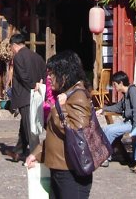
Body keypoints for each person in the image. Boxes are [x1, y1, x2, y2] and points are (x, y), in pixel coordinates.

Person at [25, 50, 93, 198]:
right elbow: (54, 132)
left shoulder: (78, 96)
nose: (49, 78)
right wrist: (37, 153)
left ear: (65, 74)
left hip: (71, 171)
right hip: (60, 166)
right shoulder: (66, 94)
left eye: (52, 74)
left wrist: (59, 109)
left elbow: (77, 132)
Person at [8, 33, 46, 160]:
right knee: (25, 124)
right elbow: (44, 74)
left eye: (11, 47)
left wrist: (32, 85)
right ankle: (18, 151)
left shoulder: (18, 57)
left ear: (14, 45)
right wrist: (40, 85)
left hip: (25, 95)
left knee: (30, 127)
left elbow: (23, 76)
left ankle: (36, 154)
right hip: (36, 94)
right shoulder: (37, 56)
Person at [97, 71, 136, 166]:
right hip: (128, 122)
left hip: (135, 124)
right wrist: (103, 109)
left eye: (115, 84)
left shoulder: (133, 92)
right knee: (106, 129)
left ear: (121, 83)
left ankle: (105, 157)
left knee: (111, 131)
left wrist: (135, 131)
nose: (114, 87)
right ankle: (105, 156)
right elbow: (118, 107)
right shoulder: (126, 94)